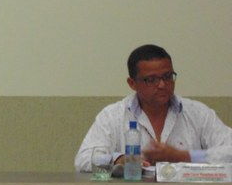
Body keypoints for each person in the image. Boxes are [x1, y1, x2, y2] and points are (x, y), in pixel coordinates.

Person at [75, 44, 232, 172]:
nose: (162, 85)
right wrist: (118, 159)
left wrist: (184, 156)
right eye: (151, 79)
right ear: (132, 83)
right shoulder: (112, 116)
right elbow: (83, 159)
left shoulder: (198, 113)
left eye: (167, 77)